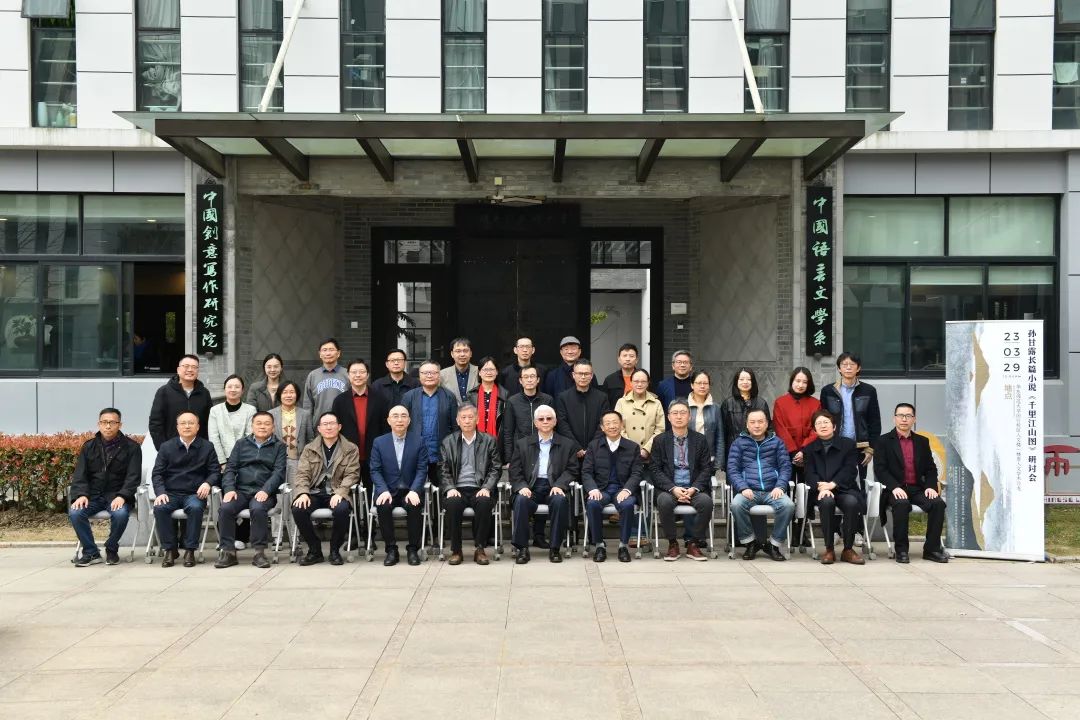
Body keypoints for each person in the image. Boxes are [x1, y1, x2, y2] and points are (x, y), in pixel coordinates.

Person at [873, 403, 948, 564]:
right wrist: (894, 487)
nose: (904, 419)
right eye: (900, 415)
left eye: (908, 416)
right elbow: (880, 469)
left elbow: (930, 468)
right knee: (901, 504)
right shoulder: (883, 441)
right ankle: (901, 550)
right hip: (895, 489)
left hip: (918, 489)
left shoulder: (922, 441)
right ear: (894, 418)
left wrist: (930, 486)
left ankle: (932, 549)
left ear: (914, 419)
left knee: (938, 504)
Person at [68, 408, 141, 566]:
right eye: (104, 422)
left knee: (120, 514)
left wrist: (122, 496)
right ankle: (91, 552)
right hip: (92, 496)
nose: (108, 426)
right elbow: (80, 475)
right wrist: (81, 494)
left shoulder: (132, 447)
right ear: (99, 424)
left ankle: (111, 548)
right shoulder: (89, 447)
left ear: (120, 425)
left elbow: (133, 477)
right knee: (75, 513)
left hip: (117, 496)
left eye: (112, 422)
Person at [214, 411, 286, 569]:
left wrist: (266, 490)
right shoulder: (241, 444)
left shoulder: (279, 446)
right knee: (225, 508)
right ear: (252, 426)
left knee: (258, 508)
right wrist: (229, 489)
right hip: (241, 490)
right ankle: (228, 552)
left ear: (273, 427)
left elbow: (279, 473)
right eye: (258, 423)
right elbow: (230, 469)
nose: (262, 426)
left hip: (264, 492)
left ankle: (259, 553)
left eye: (267, 424)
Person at [509, 405, 579, 564]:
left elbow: (572, 469)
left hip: (554, 486)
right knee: (520, 500)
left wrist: (560, 485)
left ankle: (555, 548)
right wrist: (522, 486)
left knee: (560, 501)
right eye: (541, 419)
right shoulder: (522, 444)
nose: (545, 421)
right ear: (535, 423)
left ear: (555, 421)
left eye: (549, 418)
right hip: (531, 486)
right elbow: (514, 470)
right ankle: (522, 548)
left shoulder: (567, 444)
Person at [291, 411, 360, 566]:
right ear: (319, 429)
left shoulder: (350, 448)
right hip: (314, 492)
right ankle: (314, 550)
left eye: (332, 424)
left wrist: (341, 493)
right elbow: (302, 474)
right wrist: (303, 493)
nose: (328, 427)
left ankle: (335, 550)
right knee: (298, 509)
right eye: (325, 424)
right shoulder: (310, 448)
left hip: (337, 492)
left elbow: (352, 474)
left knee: (342, 509)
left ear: (339, 427)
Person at [151, 411, 220, 568]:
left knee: (195, 508)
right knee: (160, 508)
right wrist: (160, 492)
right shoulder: (166, 447)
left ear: (198, 427)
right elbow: (157, 473)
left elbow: (215, 471)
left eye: (191, 423)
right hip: (171, 493)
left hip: (194, 493)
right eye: (183, 423)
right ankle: (170, 549)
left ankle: (190, 550)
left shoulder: (207, 447)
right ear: (177, 427)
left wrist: (208, 483)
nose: (187, 426)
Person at [650, 399, 713, 561]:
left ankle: (693, 543)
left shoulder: (700, 439)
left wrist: (694, 488)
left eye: (683, 413)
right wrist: (673, 488)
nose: (679, 417)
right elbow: (655, 470)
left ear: (689, 416)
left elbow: (707, 468)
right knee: (664, 501)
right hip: (670, 489)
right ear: (668, 417)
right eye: (675, 413)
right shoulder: (660, 440)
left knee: (706, 502)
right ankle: (672, 543)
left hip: (693, 488)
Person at [727, 408, 794, 562]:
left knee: (788, 505)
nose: (756, 425)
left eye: (760, 422)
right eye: (752, 422)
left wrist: (780, 486)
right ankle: (750, 543)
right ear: (747, 425)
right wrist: (743, 487)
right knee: (736, 505)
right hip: (749, 490)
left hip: (772, 490)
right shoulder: (738, 443)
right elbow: (732, 470)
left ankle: (774, 545)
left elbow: (785, 467)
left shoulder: (777, 442)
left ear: (767, 424)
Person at [438, 403, 500, 565]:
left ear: (477, 420)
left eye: (470, 417)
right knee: (452, 503)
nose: (467, 421)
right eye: (463, 417)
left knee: (484, 502)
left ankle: (480, 549)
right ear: (457, 421)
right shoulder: (448, 442)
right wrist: (450, 488)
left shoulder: (489, 441)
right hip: (456, 488)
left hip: (479, 488)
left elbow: (496, 468)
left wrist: (487, 487)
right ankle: (456, 550)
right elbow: (443, 468)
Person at [803, 410, 865, 565]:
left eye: (826, 422)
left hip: (844, 488)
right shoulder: (809, 449)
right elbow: (809, 473)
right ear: (814, 429)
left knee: (852, 503)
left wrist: (833, 484)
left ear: (834, 426)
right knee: (826, 502)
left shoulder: (848, 444)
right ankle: (829, 549)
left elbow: (850, 469)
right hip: (821, 491)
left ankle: (848, 549)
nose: (823, 426)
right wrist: (821, 487)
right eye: (818, 423)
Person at [369, 406, 428, 566]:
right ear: (389, 421)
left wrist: (415, 490)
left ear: (409, 420)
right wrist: (382, 490)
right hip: (387, 490)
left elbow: (422, 469)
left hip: (410, 490)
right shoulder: (379, 442)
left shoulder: (419, 441)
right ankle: (391, 549)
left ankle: (413, 549)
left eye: (403, 416)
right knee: (383, 506)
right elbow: (375, 470)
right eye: (395, 416)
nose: (399, 420)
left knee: (414, 506)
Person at [615, 368, 665, 551]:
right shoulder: (621, 402)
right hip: (626, 457)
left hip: (649, 458)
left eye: (643, 381)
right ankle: (631, 534)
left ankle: (644, 534)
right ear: (631, 382)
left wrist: (646, 449)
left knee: (647, 496)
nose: (639, 384)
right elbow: (618, 427)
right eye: (636, 381)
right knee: (630, 494)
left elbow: (660, 429)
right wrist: (632, 449)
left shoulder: (656, 403)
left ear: (648, 383)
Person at [582, 411, 641, 563]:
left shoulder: (632, 447)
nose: (612, 426)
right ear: (602, 427)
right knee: (592, 503)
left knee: (628, 504)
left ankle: (623, 546)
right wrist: (592, 489)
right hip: (601, 489)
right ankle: (599, 545)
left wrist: (627, 489)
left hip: (622, 489)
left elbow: (636, 473)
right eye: (607, 423)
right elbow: (586, 472)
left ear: (622, 425)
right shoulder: (594, 446)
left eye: (615, 422)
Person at [773, 367, 820, 545]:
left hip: (809, 455)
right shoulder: (780, 402)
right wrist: (793, 452)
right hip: (787, 455)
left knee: (806, 492)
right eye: (797, 381)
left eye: (804, 382)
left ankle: (803, 529)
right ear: (792, 381)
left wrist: (804, 450)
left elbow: (816, 428)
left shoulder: (815, 403)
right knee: (788, 491)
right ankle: (789, 529)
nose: (800, 385)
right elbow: (780, 428)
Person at [820, 352, 881, 477]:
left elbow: (874, 421)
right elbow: (822, 420)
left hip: (860, 446)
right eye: (844, 364)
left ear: (858, 368)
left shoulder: (869, 391)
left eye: (852, 364)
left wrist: (871, 448)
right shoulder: (828, 391)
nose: (848, 367)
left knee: (860, 482)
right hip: (834, 445)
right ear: (839, 368)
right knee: (833, 480)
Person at [401, 360, 458, 485]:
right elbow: (401, 425)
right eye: (425, 373)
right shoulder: (409, 396)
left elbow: (455, 427)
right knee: (414, 490)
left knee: (441, 489)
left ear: (439, 375)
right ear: (419, 375)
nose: (429, 376)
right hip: (414, 453)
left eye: (433, 372)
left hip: (441, 454)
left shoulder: (449, 396)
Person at [148, 354, 213, 449]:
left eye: (194, 367)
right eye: (186, 366)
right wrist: (163, 448)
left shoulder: (204, 393)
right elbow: (155, 424)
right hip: (172, 449)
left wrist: (205, 447)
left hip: (199, 449)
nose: (190, 370)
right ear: (178, 370)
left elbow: (209, 423)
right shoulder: (164, 392)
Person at [555, 358, 610, 460]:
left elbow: (604, 423)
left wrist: (592, 447)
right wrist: (576, 447)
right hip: (571, 451)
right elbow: (562, 425)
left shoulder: (602, 397)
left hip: (596, 451)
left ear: (592, 375)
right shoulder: (563, 398)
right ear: (573, 375)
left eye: (586, 374)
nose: (583, 377)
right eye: (580, 373)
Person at [501, 365, 554, 465]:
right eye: (525, 377)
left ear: (538, 380)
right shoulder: (512, 401)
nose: (529, 380)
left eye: (532, 376)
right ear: (520, 381)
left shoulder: (548, 400)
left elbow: (553, 427)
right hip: (520, 451)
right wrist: (509, 459)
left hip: (544, 450)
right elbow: (508, 432)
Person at [719, 367, 771, 462]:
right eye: (741, 379)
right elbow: (722, 432)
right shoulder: (728, 403)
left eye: (748, 379)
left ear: (753, 382)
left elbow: (769, 429)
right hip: (734, 451)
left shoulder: (761, 403)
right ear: (736, 382)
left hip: (757, 452)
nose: (745, 382)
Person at [269, 381, 314, 480]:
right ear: (279, 395)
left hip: (298, 461)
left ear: (297, 395)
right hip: (275, 462)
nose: (288, 395)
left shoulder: (305, 414)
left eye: (292, 392)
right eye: (285, 392)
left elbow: (310, 439)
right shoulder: (271, 414)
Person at [208, 374, 256, 468]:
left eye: (237, 387)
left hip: (244, 459)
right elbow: (214, 437)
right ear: (224, 389)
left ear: (242, 390)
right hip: (221, 460)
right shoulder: (215, 410)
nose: (233, 390)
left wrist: (243, 460)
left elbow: (250, 436)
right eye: (229, 387)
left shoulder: (250, 410)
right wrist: (222, 462)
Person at [303, 338, 349, 421]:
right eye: (324, 350)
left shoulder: (347, 374)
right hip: (319, 424)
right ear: (320, 354)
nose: (328, 353)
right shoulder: (313, 375)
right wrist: (308, 426)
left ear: (338, 353)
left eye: (331, 350)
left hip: (343, 423)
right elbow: (307, 405)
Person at [686, 370, 724, 464]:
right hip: (686, 458)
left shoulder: (715, 408)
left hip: (709, 459)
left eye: (705, 383)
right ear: (692, 385)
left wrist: (718, 464)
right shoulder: (684, 406)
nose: (702, 386)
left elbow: (720, 437)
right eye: (699, 383)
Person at [467, 356, 507, 440]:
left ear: (497, 372)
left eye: (492, 369)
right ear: (479, 372)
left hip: (498, 441)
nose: (489, 372)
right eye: (485, 370)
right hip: (475, 441)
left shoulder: (505, 395)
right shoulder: (471, 395)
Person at [439, 337, 478, 403]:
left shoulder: (480, 372)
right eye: (458, 351)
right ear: (452, 354)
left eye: (465, 351)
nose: (462, 354)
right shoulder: (442, 374)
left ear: (471, 353)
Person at [600, 343, 639, 408]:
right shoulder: (610, 380)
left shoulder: (643, 379)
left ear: (636, 360)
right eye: (624, 356)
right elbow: (604, 404)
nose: (628, 359)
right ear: (619, 359)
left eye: (631, 356)